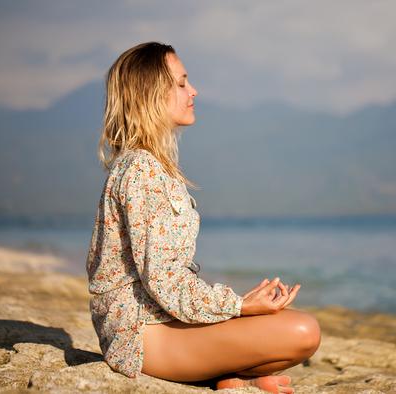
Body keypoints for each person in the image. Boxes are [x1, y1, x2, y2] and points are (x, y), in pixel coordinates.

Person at [86, 42, 321, 394]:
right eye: (181, 83)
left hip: (162, 322)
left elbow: (165, 282)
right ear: (152, 93)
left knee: (292, 328)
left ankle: (230, 379)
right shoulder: (142, 171)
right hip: (141, 337)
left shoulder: (148, 166)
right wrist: (240, 305)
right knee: (304, 332)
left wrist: (243, 308)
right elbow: (164, 283)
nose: (193, 90)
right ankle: (223, 375)